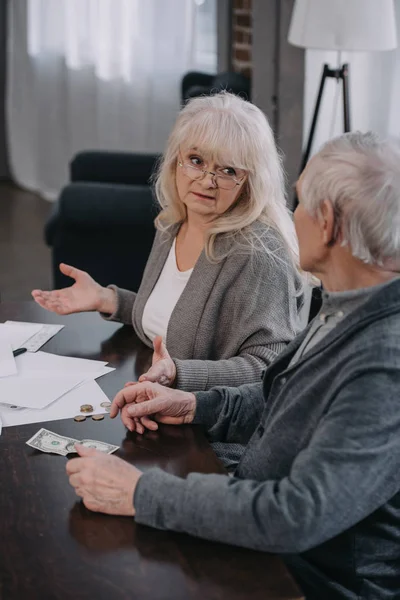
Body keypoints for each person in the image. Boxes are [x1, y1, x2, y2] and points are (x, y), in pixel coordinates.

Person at [67, 132, 400, 600]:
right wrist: (196, 405)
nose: (289, 216)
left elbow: (297, 516)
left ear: (326, 223)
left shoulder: (386, 362)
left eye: (299, 203)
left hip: (312, 578)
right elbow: (287, 397)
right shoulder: (348, 303)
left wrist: (142, 494)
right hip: (261, 516)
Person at [32, 92, 304, 392]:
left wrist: (178, 373)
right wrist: (110, 299)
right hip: (153, 394)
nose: (206, 181)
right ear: (176, 161)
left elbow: (270, 366)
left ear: (251, 181)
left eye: (228, 170)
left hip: (206, 424)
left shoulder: (260, 254)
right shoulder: (174, 222)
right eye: (196, 160)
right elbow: (178, 319)